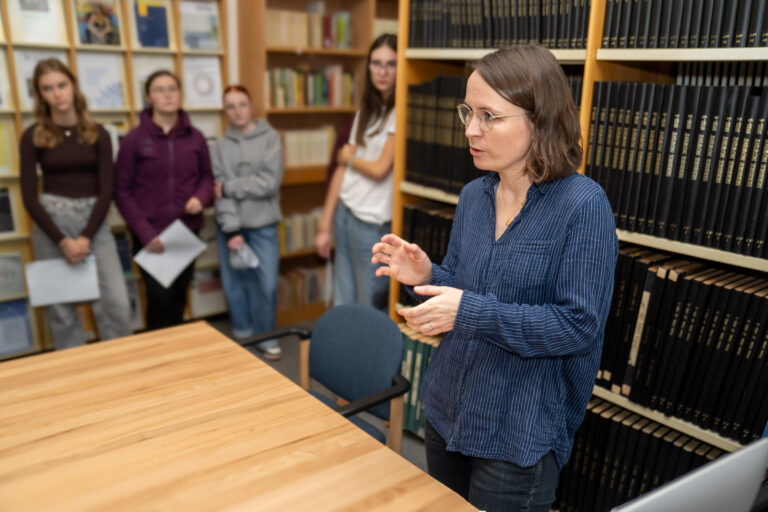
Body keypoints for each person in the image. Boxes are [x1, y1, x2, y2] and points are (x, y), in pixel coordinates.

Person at [371, 44, 618, 512]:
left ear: (539, 119)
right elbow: (468, 295)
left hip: (517, 434)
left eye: (489, 116)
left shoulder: (583, 206)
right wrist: (427, 275)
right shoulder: (474, 196)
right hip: (447, 412)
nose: (470, 129)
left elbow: (578, 326)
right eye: (468, 112)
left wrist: (466, 308)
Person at [20, 58, 131, 350]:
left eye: (61, 85)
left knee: (115, 303)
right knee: (61, 311)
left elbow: (107, 191)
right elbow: (29, 197)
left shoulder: (99, 133)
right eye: (47, 88)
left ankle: (122, 367)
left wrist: (85, 237)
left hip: (93, 220)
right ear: (40, 94)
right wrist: (62, 241)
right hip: (50, 221)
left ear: (73, 86)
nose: (57, 93)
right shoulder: (33, 136)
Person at [115, 70, 214, 330]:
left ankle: (177, 356)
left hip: (186, 232)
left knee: (180, 297)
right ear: (148, 97)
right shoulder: (134, 139)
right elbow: (122, 190)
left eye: (172, 88)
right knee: (159, 299)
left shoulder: (196, 137)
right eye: (159, 90)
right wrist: (146, 234)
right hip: (150, 235)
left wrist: (201, 198)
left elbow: (207, 178)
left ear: (180, 94)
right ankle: (158, 359)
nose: (167, 95)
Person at [315, 33, 397, 312]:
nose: (382, 71)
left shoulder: (400, 112)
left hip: (372, 225)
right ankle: (344, 356)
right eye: (376, 63)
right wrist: (324, 226)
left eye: (390, 64)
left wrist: (349, 158)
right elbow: (342, 170)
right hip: (345, 213)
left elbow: (379, 169)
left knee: (368, 307)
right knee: (342, 301)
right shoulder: (368, 109)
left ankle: (366, 357)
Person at [212, 85, 284, 360]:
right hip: (231, 228)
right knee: (235, 285)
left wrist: (230, 187)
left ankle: (267, 337)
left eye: (242, 104)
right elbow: (218, 192)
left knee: (267, 284)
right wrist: (231, 229)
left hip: (264, 225)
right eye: (230, 106)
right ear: (225, 111)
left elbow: (268, 183)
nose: (237, 111)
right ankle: (243, 335)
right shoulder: (219, 147)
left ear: (251, 106)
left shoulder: (271, 139)